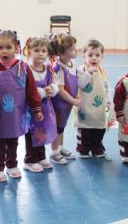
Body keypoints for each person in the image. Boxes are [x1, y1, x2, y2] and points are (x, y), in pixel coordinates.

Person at [0, 30, 43, 182]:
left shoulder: (23, 67)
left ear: (16, 48)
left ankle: (12, 164)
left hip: (16, 114)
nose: (4, 51)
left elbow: (31, 90)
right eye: (0, 47)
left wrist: (36, 108)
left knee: (13, 140)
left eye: (8, 47)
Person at [49, 33, 91, 164]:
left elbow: (76, 81)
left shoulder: (71, 64)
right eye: (72, 49)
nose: (76, 50)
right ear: (61, 54)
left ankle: (60, 148)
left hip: (66, 105)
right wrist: (73, 101)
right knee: (56, 128)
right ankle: (54, 152)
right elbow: (60, 90)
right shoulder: (59, 68)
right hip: (59, 104)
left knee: (61, 127)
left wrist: (77, 94)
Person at [22, 37, 58, 172]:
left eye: (44, 51)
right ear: (29, 52)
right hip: (31, 109)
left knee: (43, 131)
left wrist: (52, 89)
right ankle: (30, 159)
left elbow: (55, 84)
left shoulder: (49, 69)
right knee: (32, 133)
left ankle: (41, 156)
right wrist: (42, 92)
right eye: (36, 50)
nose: (40, 53)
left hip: (46, 108)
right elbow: (26, 89)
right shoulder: (26, 70)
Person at [74, 39, 113, 158]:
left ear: (102, 57)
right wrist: (89, 73)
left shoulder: (103, 71)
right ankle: (84, 148)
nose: (94, 58)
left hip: (99, 106)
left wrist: (108, 100)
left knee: (99, 127)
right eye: (90, 55)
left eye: (97, 55)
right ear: (84, 56)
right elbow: (81, 84)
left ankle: (97, 147)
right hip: (85, 106)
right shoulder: (82, 70)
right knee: (85, 128)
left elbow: (106, 87)